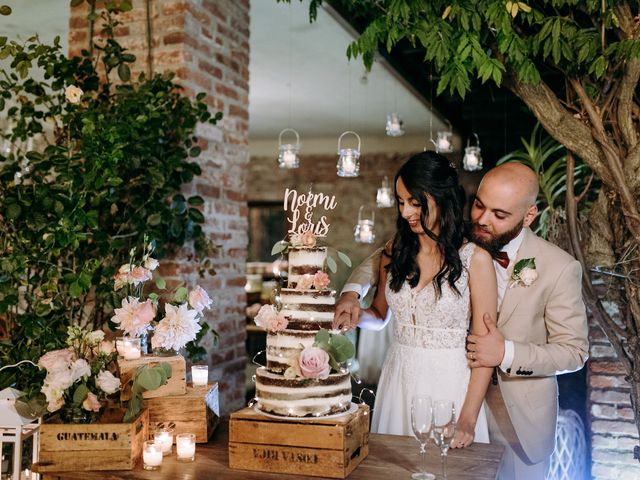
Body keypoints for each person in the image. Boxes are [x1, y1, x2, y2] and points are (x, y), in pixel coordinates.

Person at [336, 162, 589, 480]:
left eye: (499, 214)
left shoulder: (559, 267)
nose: (482, 219)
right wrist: (351, 292)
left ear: (528, 216)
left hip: (517, 420)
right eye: (479, 205)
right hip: (438, 396)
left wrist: (505, 353)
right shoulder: (452, 235)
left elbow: (574, 351)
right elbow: (382, 258)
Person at [337, 151, 497, 446]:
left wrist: (468, 418)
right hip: (397, 380)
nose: (406, 212)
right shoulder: (396, 250)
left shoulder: (476, 260)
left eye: (415, 202)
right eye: (401, 202)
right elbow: (380, 315)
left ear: (441, 197)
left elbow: (484, 351)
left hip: (450, 387)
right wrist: (359, 316)